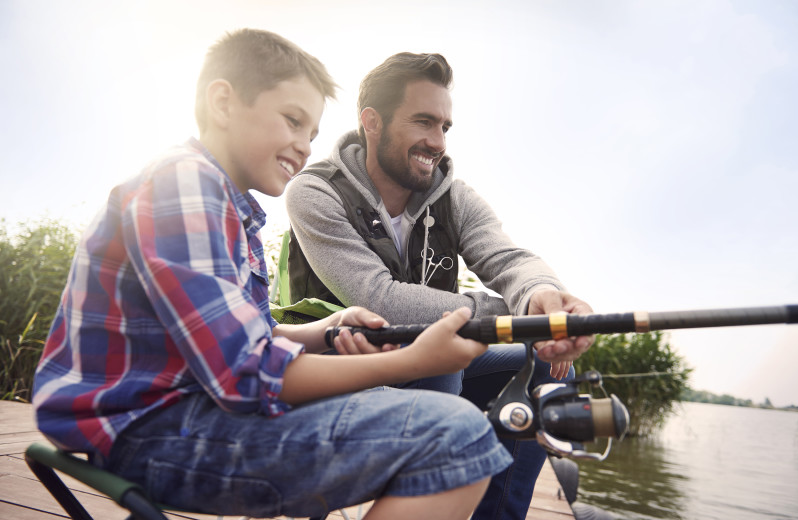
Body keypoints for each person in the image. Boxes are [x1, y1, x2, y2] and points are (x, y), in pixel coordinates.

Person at [31, 31, 514, 520]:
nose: (304, 147)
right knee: (457, 435)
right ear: (223, 102)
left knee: (449, 425)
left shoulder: (226, 205)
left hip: (180, 417)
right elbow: (246, 377)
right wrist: (411, 361)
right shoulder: (184, 184)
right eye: (292, 120)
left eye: (312, 134)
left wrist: (325, 330)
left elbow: (249, 341)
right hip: (151, 433)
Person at [285, 52, 594, 520]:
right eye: (424, 122)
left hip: (427, 356)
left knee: (544, 371)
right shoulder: (314, 192)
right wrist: (509, 316)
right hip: (337, 359)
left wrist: (541, 296)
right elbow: (378, 298)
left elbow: (508, 257)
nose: (437, 142)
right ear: (372, 121)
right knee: (444, 365)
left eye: (445, 127)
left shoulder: (456, 197)